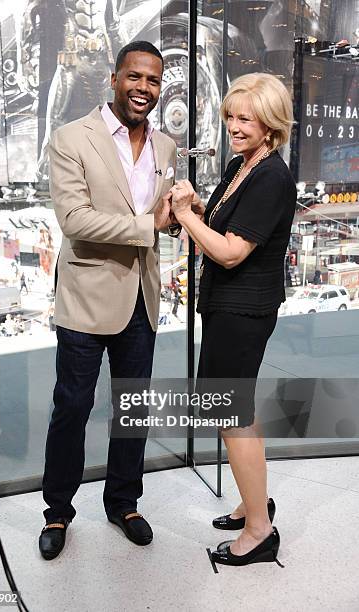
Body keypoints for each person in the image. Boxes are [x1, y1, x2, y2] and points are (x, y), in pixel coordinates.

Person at [39, 41, 179, 561]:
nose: (145, 89)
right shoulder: (72, 137)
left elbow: (160, 214)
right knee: (72, 408)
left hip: (141, 300)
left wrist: (183, 211)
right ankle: (57, 511)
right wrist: (149, 225)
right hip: (86, 297)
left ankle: (124, 502)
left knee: (132, 410)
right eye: (135, 77)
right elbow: (74, 220)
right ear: (115, 78)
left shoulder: (165, 146)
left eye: (154, 82)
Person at [169, 73, 296, 567]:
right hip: (230, 310)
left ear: (270, 124)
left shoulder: (271, 177)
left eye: (246, 118)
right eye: (231, 116)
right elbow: (224, 221)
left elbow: (228, 252)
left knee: (230, 415)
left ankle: (260, 533)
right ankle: (253, 503)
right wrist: (200, 207)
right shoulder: (244, 165)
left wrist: (185, 217)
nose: (235, 126)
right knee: (239, 410)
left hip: (242, 311)